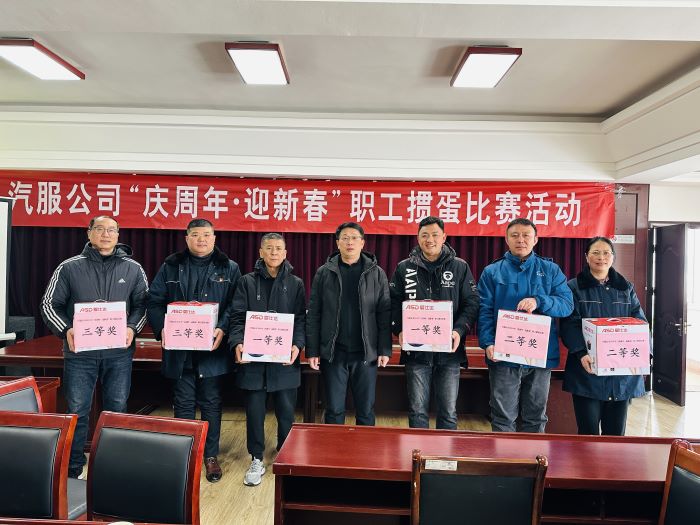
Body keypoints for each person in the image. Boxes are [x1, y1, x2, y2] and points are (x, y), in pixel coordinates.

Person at [40, 216, 148, 479]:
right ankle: (73, 467)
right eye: (99, 229)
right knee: (77, 409)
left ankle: (113, 466)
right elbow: (49, 304)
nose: (106, 234)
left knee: (117, 408)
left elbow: (143, 304)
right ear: (89, 233)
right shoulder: (69, 267)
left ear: (118, 235)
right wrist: (67, 329)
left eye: (111, 230)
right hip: (80, 353)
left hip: (119, 353)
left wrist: (132, 328)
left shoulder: (133, 268)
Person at [147, 218, 240, 482]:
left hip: (213, 348)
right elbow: (154, 301)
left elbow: (236, 304)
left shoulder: (229, 267)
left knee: (211, 402)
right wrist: (162, 328)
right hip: (180, 349)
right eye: (196, 234)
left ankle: (210, 455)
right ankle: (185, 455)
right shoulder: (170, 265)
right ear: (186, 238)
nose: (201, 239)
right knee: (183, 401)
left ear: (214, 238)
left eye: (207, 234)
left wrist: (222, 328)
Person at [478, 217, 573, 433]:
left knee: (536, 418)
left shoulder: (551, 270)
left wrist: (540, 301)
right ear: (506, 239)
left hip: (539, 355)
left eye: (526, 235)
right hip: (503, 356)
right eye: (515, 235)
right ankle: (505, 455)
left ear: (535, 239)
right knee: (503, 418)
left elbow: (567, 305)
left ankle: (534, 456)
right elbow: (484, 310)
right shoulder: (492, 271)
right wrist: (488, 342)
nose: (520, 240)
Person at [230, 233, 305, 487]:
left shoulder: (295, 283)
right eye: (269, 248)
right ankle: (256, 458)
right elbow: (237, 317)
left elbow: (301, 320)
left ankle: (286, 453)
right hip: (254, 362)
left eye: (278, 248)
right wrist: (237, 342)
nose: (274, 252)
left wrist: (297, 345)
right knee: (254, 413)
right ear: (260, 252)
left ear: (285, 253)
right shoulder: (246, 282)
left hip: (284, 361)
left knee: (286, 413)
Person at [390, 216, 479, 429]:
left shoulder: (460, 267)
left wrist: (458, 330)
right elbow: (392, 303)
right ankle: (417, 450)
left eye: (435, 235)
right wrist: (399, 329)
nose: (430, 239)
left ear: (444, 237)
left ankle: (444, 451)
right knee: (417, 411)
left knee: (448, 412)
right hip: (416, 352)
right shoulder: (404, 268)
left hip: (449, 353)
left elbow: (472, 303)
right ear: (417, 238)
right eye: (424, 235)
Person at [306, 222, 392, 427]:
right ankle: (335, 448)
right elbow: (314, 313)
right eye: (344, 238)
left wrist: (384, 349)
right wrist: (312, 350)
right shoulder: (324, 273)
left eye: (354, 238)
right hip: (334, 353)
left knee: (366, 410)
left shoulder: (376, 273)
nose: (349, 242)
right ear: (337, 243)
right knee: (334, 410)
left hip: (366, 353)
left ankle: (364, 449)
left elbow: (384, 313)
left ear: (362, 243)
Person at [561, 236, 647, 435]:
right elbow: (569, 324)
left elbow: (640, 323)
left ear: (613, 257)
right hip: (587, 369)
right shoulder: (574, 287)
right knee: (588, 432)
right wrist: (581, 352)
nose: (601, 257)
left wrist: (644, 355)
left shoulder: (626, 287)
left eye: (606, 253)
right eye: (596, 253)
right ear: (586, 257)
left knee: (616, 435)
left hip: (620, 373)